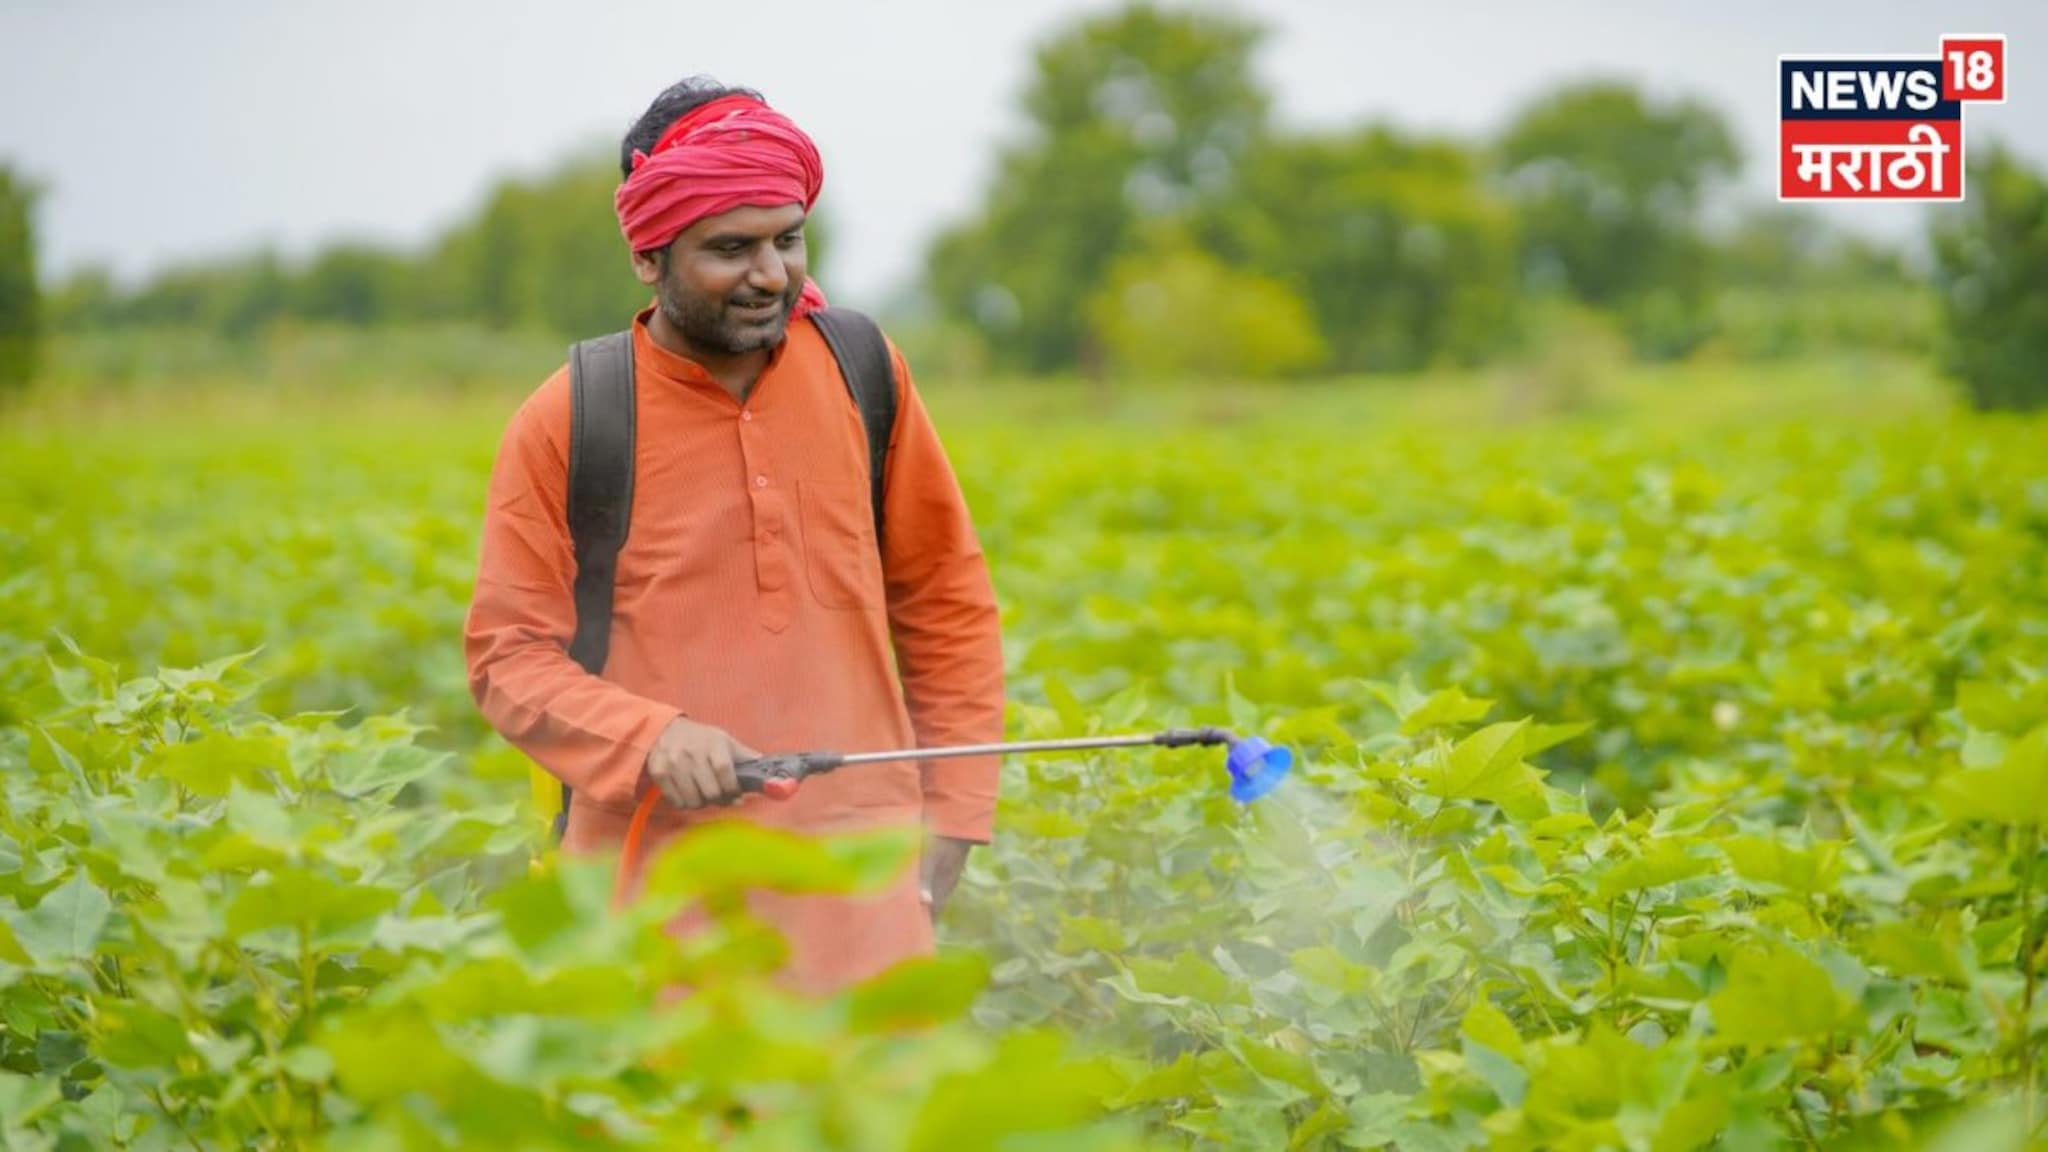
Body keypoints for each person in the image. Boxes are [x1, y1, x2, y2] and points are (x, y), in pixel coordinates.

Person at [463, 77, 1005, 995]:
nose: (769, 275)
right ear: (649, 254)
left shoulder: (864, 371)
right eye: (730, 249)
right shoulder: (574, 417)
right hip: (654, 904)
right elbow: (506, 658)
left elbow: (946, 602)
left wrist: (951, 820)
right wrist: (649, 737)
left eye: (787, 240)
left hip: (859, 892)